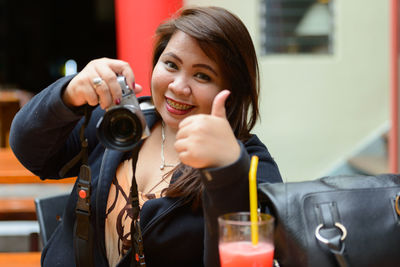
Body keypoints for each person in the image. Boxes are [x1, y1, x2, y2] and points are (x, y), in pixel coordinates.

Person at [10, 6, 282, 267]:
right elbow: (31, 151)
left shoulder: (250, 164)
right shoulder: (122, 121)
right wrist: (68, 95)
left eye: (202, 75)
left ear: (232, 89)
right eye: (171, 64)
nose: (178, 86)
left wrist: (227, 170)